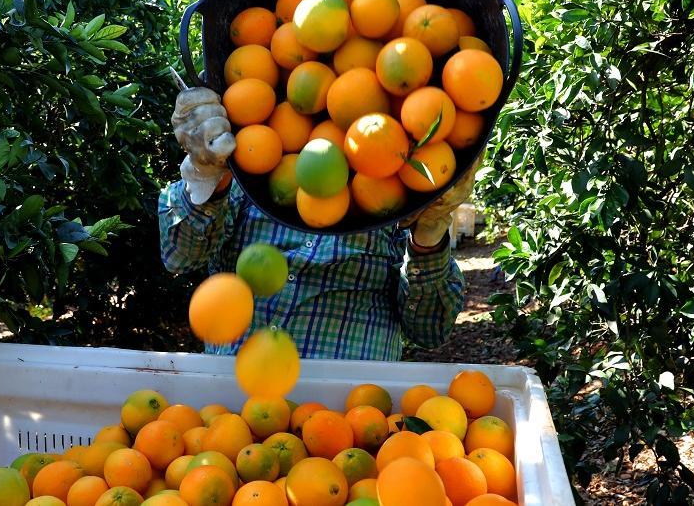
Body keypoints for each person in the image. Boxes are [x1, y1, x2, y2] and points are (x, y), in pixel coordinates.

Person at [158, 86, 471, 361]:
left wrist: (429, 234)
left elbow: (430, 330)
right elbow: (180, 255)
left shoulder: (395, 187)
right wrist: (205, 175)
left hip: (349, 415)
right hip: (233, 405)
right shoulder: (251, 163)